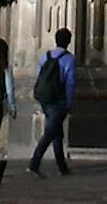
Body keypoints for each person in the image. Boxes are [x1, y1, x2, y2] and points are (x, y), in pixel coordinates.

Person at [28, 29, 77, 175]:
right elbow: (70, 83)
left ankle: (62, 166)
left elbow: (40, 76)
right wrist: (69, 102)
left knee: (57, 132)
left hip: (46, 99)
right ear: (68, 41)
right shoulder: (69, 59)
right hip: (59, 100)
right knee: (50, 133)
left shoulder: (46, 56)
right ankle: (34, 163)